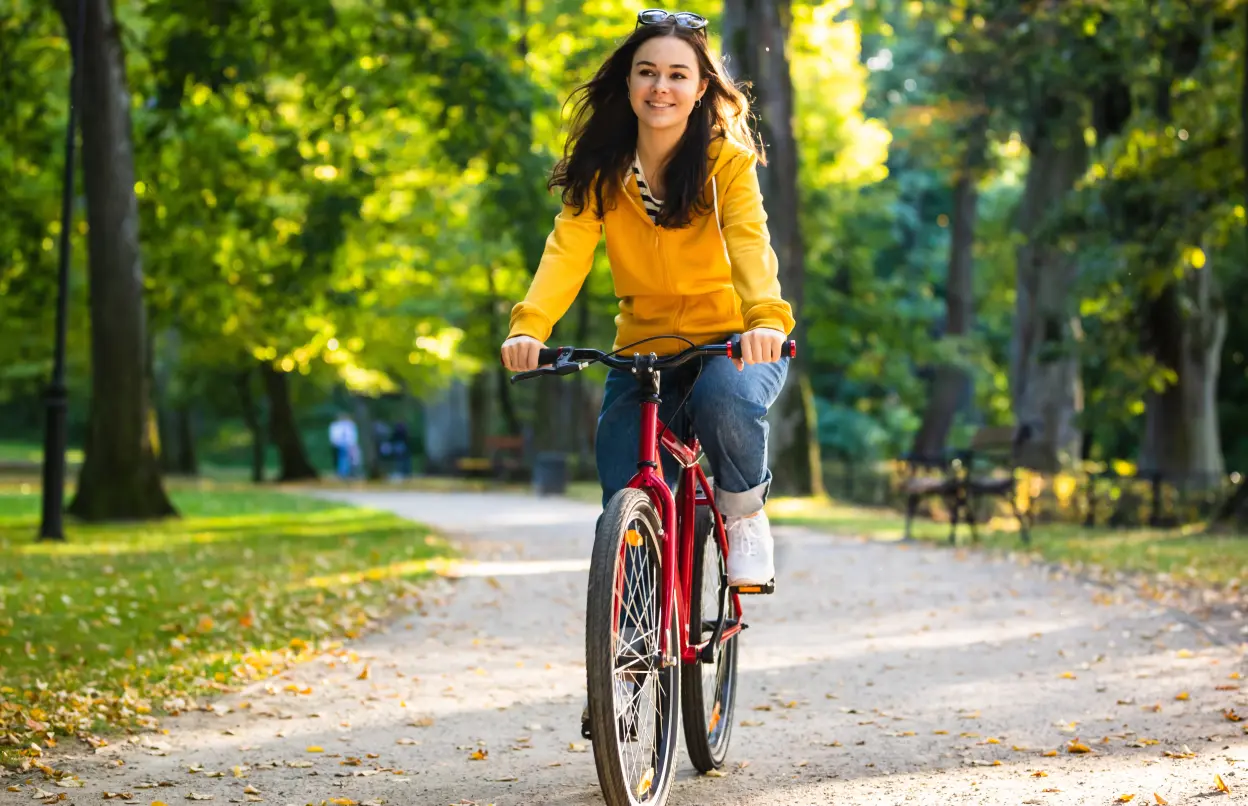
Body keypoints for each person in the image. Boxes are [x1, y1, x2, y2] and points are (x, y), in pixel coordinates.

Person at [499, 8, 793, 589]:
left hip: (733, 344)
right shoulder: (601, 171)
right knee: (623, 476)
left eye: (678, 75)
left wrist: (763, 319)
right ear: (628, 82)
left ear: (701, 86)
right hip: (643, 347)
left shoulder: (726, 165)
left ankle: (742, 514)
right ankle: (634, 621)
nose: (662, 87)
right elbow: (567, 251)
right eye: (647, 72)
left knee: (723, 400)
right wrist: (529, 327)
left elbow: (749, 244)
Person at [328, 412, 359, 479]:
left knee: (346, 458)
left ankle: (344, 473)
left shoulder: (343, 425)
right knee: (344, 458)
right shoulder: (346, 425)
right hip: (344, 443)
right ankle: (343, 473)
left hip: (345, 443)